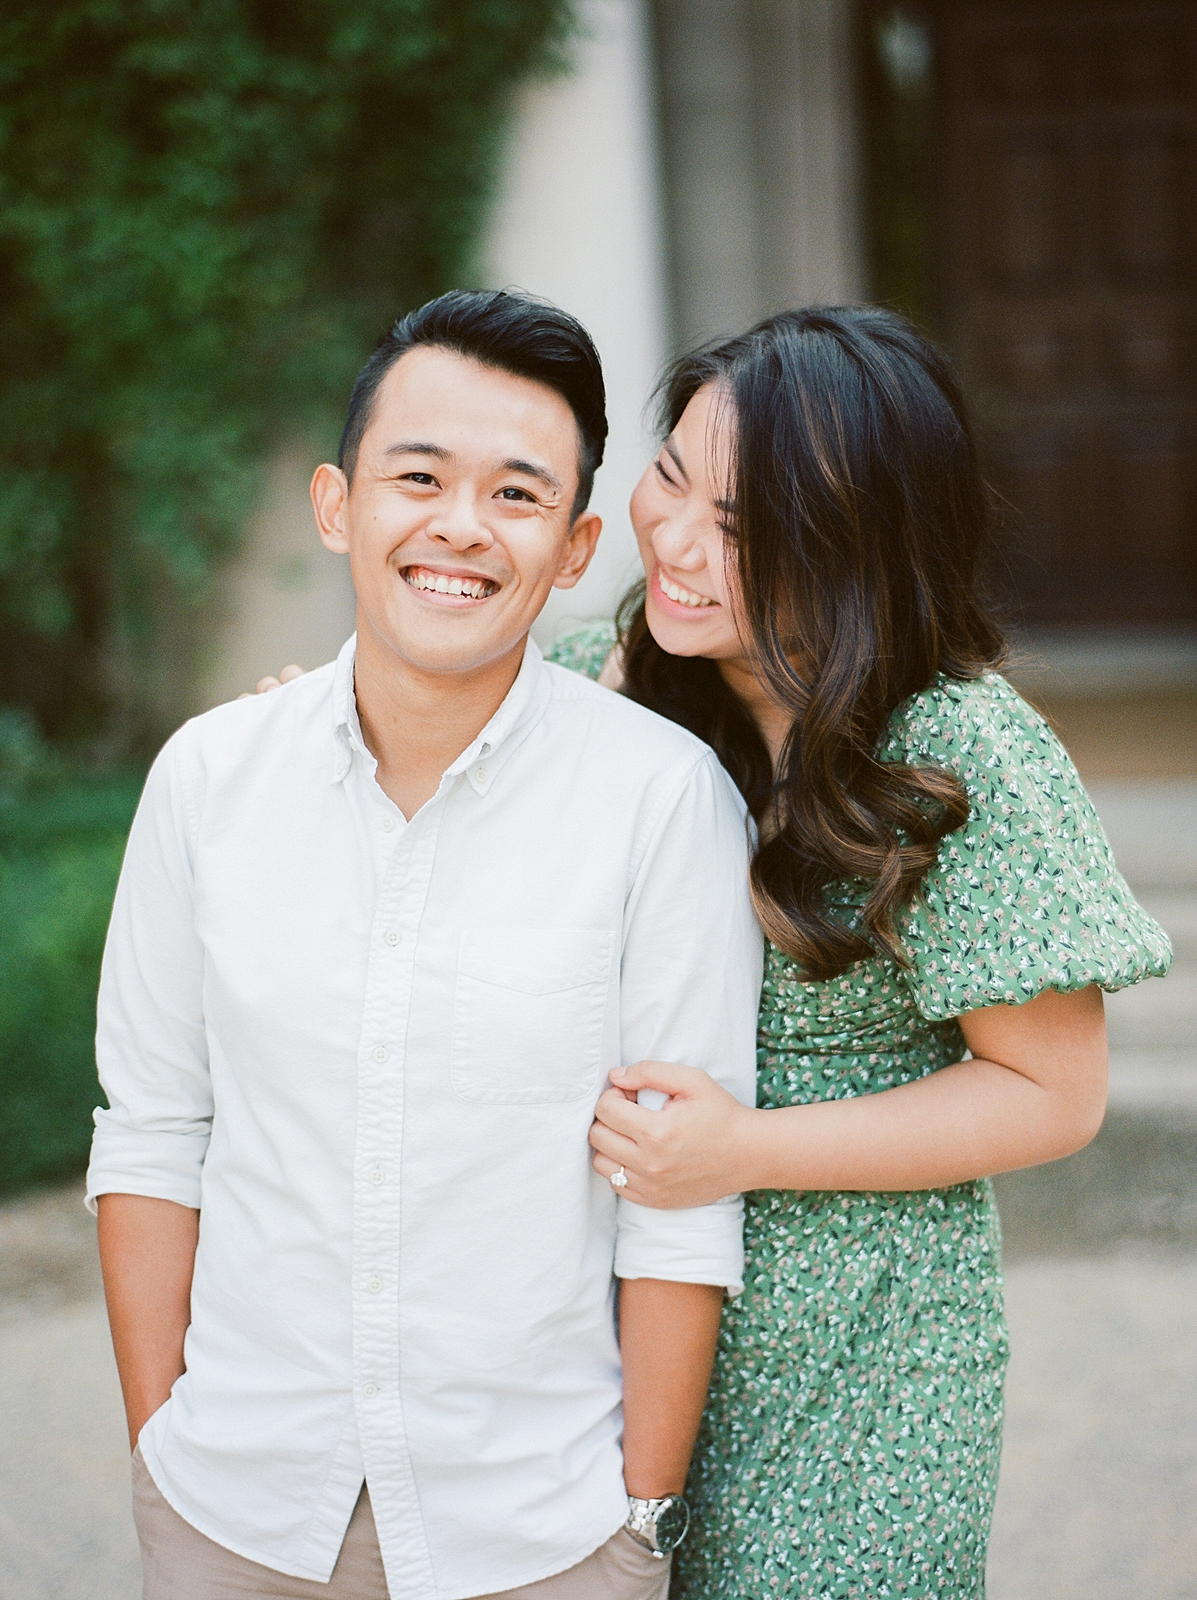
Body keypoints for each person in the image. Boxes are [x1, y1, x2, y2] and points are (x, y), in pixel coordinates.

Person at [88, 290, 764, 1600]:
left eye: (516, 497)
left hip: (544, 1533)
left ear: (570, 553)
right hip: (232, 1511)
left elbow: (676, 1203)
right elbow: (154, 1130)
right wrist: (158, 1444)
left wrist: (638, 1517)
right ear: (337, 505)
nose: (461, 526)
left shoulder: (660, 801)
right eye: (420, 478)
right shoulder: (209, 780)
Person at [548, 304, 1172, 1598]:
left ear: (854, 553)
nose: (675, 544)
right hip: (601, 1321)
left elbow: (1054, 1093)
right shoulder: (602, 673)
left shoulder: (956, 752)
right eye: (671, 479)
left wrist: (740, 1151)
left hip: (857, 1362)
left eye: (741, 529)